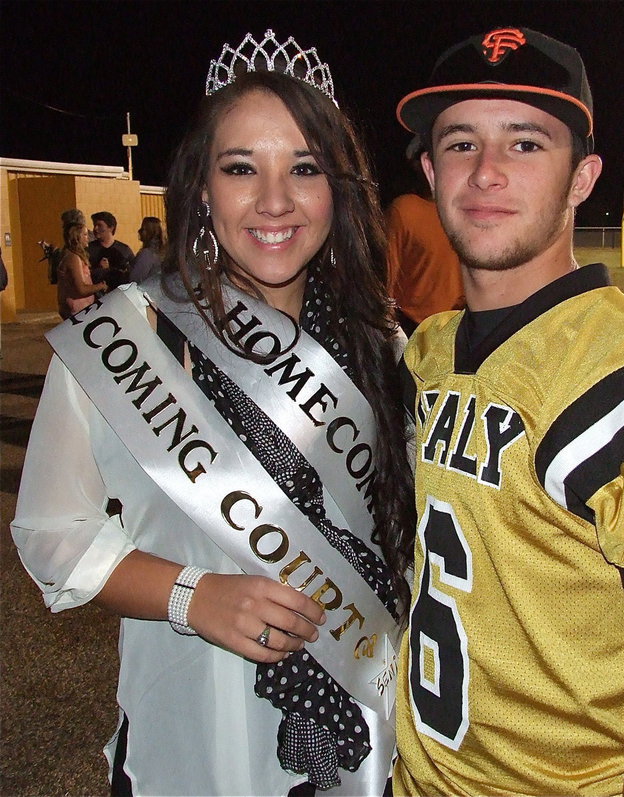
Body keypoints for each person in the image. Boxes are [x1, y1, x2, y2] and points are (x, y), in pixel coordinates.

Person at [12, 29, 413, 797]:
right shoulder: (127, 339)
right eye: (241, 169)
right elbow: (52, 534)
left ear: (338, 188)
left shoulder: (384, 350)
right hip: (192, 739)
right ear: (202, 187)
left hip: (362, 748)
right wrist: (191, 595)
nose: (274, 200)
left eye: (304, 168)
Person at [392, 25, 624, 796]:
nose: (487, 172)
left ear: (582, 177)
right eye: (461, 145)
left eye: (526, 145)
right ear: (431, 172)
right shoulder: (426, 352)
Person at [386, 140, 463, 337]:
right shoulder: (406, 210)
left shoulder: (470, 212)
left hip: (460, 328)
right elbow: (383, 283)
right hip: (412, 329)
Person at [56, 221, 107, 319]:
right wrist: (101, 286)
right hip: (77, 312)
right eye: (85, 234)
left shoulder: (75, 256)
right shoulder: (73, 258)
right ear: (76, 237)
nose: (88, 238)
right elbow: (81, 289)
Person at [88, 211, 134, 289]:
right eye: (94, 225)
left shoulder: (124, 250)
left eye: (99, 225)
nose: (95, 229)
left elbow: (132, 274)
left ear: (111, 227)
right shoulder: (89, 249)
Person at [128, 216, 166, 283]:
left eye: (143, 229)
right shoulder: (164, 252)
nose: (139, 231)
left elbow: (135, 280)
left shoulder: (147, 254)